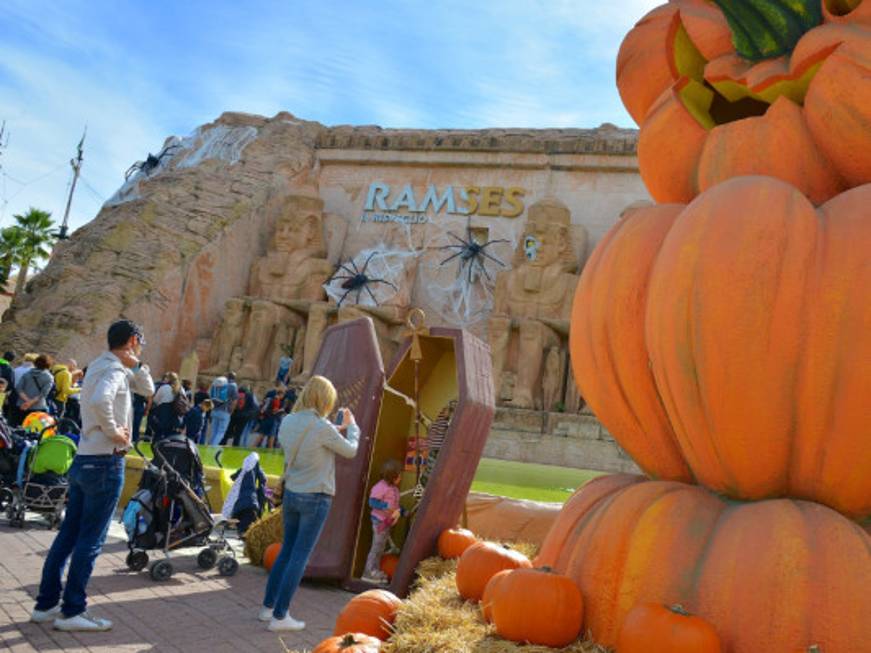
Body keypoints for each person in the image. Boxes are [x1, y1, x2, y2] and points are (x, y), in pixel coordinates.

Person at [31, 319, 154, 631]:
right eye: (140, 341)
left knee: (69, 534)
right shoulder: (113, 370)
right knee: (91, 540)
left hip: (86, 459)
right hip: (105, 462)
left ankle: (46, 605)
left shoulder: (105, 364)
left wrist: (138, 364)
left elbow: (148, 389)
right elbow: (101, 401)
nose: (141, 347)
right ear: (131, 340)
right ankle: (73, 611)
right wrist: (115, 433)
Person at [259, 375, 359, 632]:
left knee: (286, 551)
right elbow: (350, 450)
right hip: (316, 496)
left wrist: (332, 428)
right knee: (300, 556)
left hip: (292, 493)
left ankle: (267, 608)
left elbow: (313, 436)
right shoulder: (321, 427)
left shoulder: (289, 421)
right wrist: (353, 427)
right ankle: (280, 617)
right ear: (325, 400)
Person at [362, 459, 405, 584]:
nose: (401, 478)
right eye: (399, 475)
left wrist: (402, 511)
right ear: (393, 477)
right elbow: (372, 502)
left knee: (381, 547)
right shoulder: (380, 487)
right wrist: (385, 506)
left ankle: (375, 570)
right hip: (379, 521)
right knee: (376, 547)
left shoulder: (394, 489)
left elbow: (395, 505)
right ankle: (368, 571)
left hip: (387, 522)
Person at [221, 451, 268, 536]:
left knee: (240, 516)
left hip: (240, 500)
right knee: (248, 520)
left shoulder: (244, 468)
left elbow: (233, 477)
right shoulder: (257, 467)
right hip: (251, 500)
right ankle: (244, 533)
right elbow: (264, 479)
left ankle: (240, 530)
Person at [16, 354, 55, 419]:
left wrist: (27, 401)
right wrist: (30, 403)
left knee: (18, 427)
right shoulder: (49, 377)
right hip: (38, 407)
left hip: (22, 405)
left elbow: (19, 388)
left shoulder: (27, 373)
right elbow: (43, 394)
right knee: (33, 428)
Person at [151, 372, 184, 441]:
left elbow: (156, 400)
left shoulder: (164, 387)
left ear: (168, 379)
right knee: (171, 434)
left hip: (164, 412)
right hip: (176, 414)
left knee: (160, 432)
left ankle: (157, 447)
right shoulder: (181, 389)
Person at [208, 373, 238, 446]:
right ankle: (213, 446)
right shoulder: (233, 386)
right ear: (234, 378)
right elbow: (234, 401)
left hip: (214, 409)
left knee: (214, 431)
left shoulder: (218, 383)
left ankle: (209, 446)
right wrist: (231, 411)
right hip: (225, 411)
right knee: (221, 432)